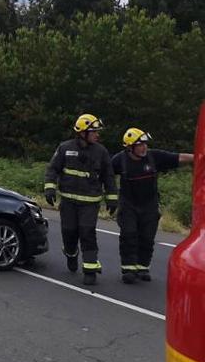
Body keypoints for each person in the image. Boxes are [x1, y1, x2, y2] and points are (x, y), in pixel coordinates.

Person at [44, 113, 118, 285]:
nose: (97, 135)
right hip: (68, 201)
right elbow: (52, 169)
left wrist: (112, 198)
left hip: (90, 203)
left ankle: (90, 270)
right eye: (94, 131)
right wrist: (49, 189)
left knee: (87, 233)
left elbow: (109, 176)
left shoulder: (101, 152)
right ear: (82, 132)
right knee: (69, 232)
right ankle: (71, 253)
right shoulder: (64, 148)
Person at [112, 128, 193, 284]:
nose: (144, 147)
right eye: (140, 145)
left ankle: (143, 267)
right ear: (130, 147)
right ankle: (128, 269)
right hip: (128, 204)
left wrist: (199, 157)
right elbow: (105, 173)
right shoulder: (119, 160)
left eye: (145, 144)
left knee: (147, 238)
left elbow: (179, 158)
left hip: (149, 205)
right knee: (129, 235)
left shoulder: (154, 157)